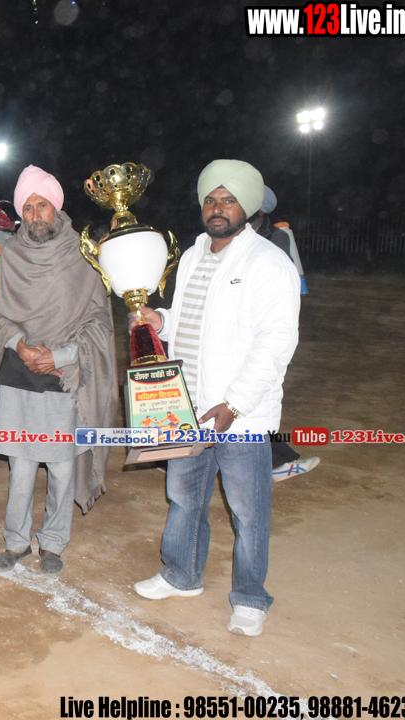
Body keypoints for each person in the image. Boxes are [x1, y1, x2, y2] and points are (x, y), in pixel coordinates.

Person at [132, 160, 300, 638]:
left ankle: (249, 598)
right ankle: (181, 575)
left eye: (228, 200)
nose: (218, 208)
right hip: (186, 406)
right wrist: (161, 321)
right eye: (210, 199)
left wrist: (235, 404)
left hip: (238, 415)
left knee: (248, 512)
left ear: (248, 207)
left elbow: (276, 344)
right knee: (184, 499)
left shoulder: (268, 263)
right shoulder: (191, 255)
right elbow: (192, 321)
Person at [0, 166, 118, 576]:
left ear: (56, 207)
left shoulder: (83, 255)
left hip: (65, 376)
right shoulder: (11, 255)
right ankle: (15, 542)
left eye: (42, 205)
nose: (35, 216)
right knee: (21, 468)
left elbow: (98, 323)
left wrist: (59, 356)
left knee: (62, 468)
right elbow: (1, 315)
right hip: (21, 373)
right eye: (27, 208)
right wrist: (20, 345)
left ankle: (53, 544)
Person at [248, 188, 319, 481]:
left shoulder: (275, 239)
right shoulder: (224, 235)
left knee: (256, 395)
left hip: (260, 326)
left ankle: (276, 462)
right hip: (235, 328)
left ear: (260, 212)